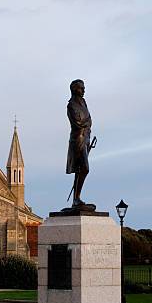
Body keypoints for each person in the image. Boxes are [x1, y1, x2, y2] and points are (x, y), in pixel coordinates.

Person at [66, 79, 94, 209]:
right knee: (84, 168)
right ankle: (76, 199)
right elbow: (78, 122)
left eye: (84, 88)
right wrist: (87, 122)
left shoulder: (83, 103)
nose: (83, 90)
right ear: (74, 89)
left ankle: (76, 199)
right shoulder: (71, 105)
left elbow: (88, 120)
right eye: (81, 88)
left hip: (85, 138)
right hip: (77, 140)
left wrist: (87, 123)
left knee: (81, 169)